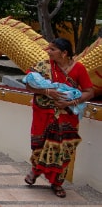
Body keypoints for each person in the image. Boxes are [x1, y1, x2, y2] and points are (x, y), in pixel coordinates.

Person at [23, 38, 94, 198]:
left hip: (66, 117)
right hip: (44, 114)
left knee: (63, 150)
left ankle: (57, 183)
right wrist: (48, 92)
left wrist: (70, 102)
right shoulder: (43, 66)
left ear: (64, 53)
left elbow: (89, 92)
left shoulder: (79, 69)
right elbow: (28, 85)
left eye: (53, 49)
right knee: (40, 145)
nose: (48, 52)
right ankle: (35, 171)